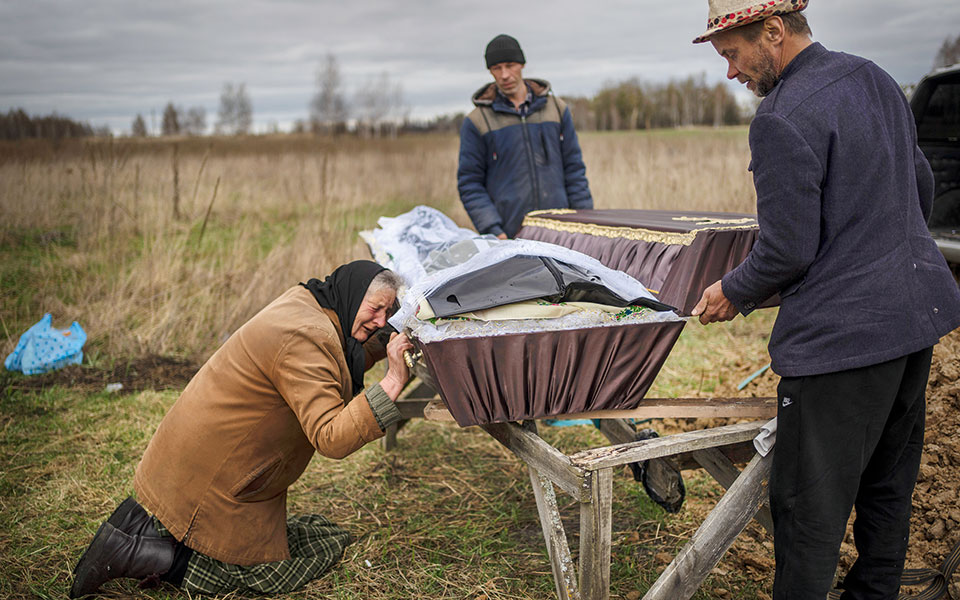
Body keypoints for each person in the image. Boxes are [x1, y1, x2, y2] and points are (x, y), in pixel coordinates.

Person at [690, 1, 960, 598]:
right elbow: (921, 184)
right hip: (913, 326)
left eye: (732, 55)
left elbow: (786, 251)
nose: (730, 72)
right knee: (888, 492)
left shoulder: (781, 117)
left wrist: (731, 291)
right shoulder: (876, 78)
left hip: (841, 347)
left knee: (810, 512)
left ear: (774, 31)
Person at [70, 260, 413, 597]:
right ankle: (142, 554)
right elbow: (331, 438)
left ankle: (139, 527)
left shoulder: (308, 303)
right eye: (376, 308)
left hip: (193, 463)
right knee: (282, 568)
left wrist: (392, 338)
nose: (381, 320)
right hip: (215, 479)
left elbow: (338, 360)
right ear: (354, 293)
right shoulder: (308, 337)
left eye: (388, 313)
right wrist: (394, 379)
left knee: (320, 534)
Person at [457, 33, 593, 240]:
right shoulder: (477, 121)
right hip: (511, 236)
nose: (504, 75)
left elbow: (574, 168)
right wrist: (494, 231)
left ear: (522, 64)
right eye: (497, 68)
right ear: (490, 71)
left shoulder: (556, 109)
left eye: (510, 65)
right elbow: (470, 183)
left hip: (561, 231)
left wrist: (585, 222)